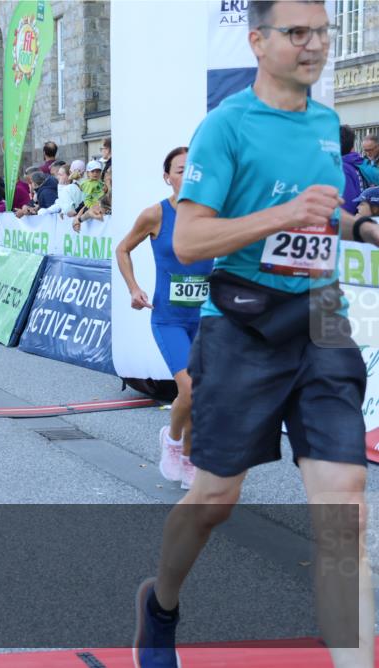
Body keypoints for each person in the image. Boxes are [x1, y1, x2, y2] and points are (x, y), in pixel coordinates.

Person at [134, 3, 376, 666]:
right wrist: (280, 216)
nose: (316, 45)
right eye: (297, 33)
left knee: (343, 510)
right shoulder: (224, 127)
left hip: (322, 316)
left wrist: (360, 227)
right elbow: (187, 240)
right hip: (243, 322)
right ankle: (161, 607)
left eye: (323, 31)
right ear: (258, 42)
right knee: (214, 499)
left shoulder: (329, 124)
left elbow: (323, 217)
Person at [116, 148, 211, 491]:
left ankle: (181, 448)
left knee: (195, 394)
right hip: (169, 320)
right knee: (191, 388)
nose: (190, 176)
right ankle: (178, 445)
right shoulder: (155, 214)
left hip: (208, 320)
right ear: (168, 176)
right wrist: (134, 288)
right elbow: (123, 248)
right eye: (182, 170)